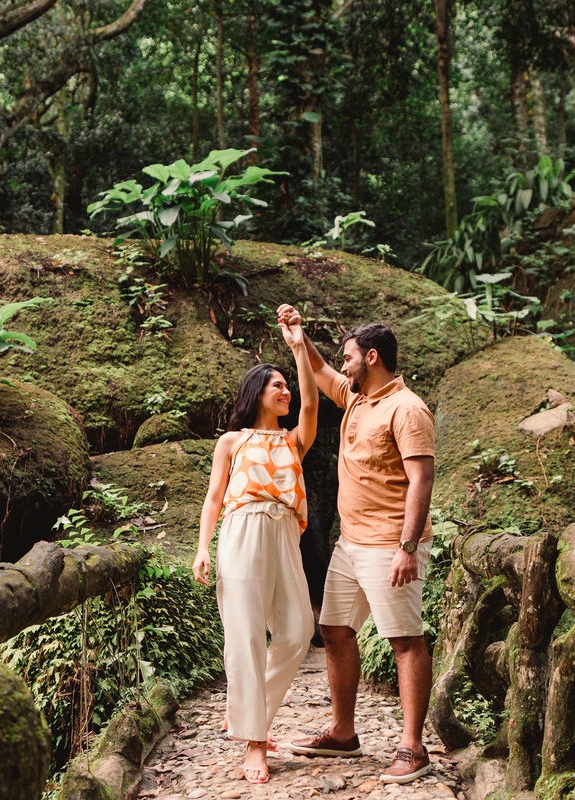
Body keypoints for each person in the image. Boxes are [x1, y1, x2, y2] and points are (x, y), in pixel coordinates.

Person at [277, 305, 435, 785]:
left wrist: (407, 546)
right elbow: (322, 372)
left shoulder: (407, 409)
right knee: (335, 630)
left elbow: (421, 478)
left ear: (371, 357)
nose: (343, 366)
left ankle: (413, 747)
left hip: (390, 545)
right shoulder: (358, 397)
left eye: (349, 358)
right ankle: (344, 733)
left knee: (404, 640)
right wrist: (298, 339)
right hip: (350, 543)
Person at [191, 314, 317, 785]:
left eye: (287, 386)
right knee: (244, 635)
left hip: (285, 534)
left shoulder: (293, 441)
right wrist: (203, 548)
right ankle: (255, 741)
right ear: (256, 393)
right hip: (241, 532)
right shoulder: (232, 441)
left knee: (298, 630)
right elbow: (213, 499)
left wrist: (300, 349)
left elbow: (311, 410)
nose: (285, 392)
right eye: (277, 386)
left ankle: (249, 714)